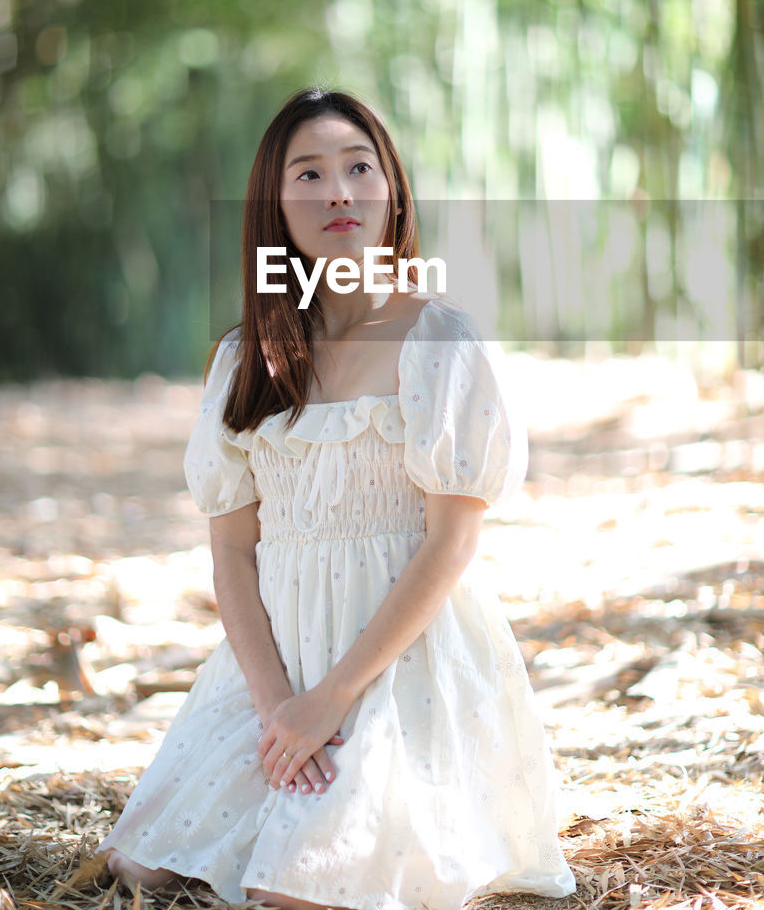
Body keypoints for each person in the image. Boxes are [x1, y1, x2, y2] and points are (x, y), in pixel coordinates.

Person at [99, 87, 576, 909]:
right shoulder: (246, 359)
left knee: (305, 888)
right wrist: (280, 704)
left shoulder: (439, 340)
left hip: (398, 663)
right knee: (145, 866)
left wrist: (333, 699)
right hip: (275, 664)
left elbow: (450, 545)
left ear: (391, 188)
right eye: (309, 174)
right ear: (273, 207)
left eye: (359, 167)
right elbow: (232, 552)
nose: (338, 193)